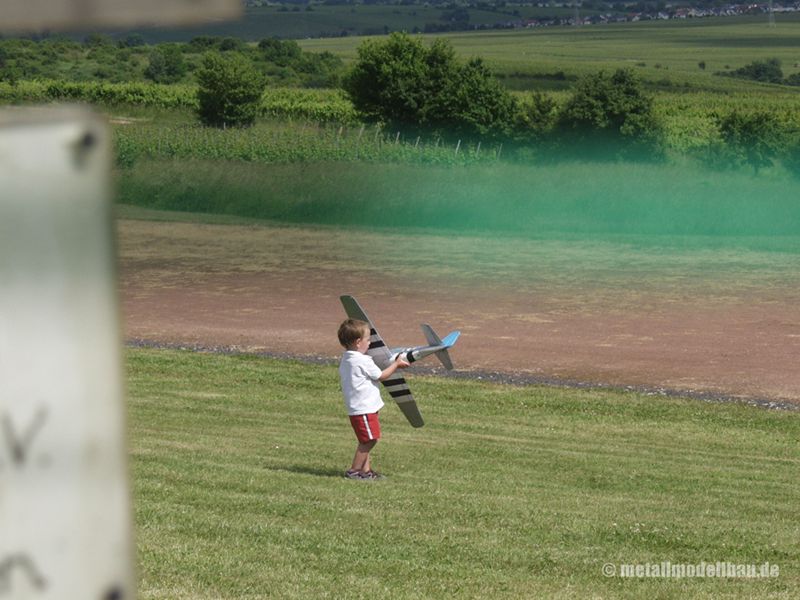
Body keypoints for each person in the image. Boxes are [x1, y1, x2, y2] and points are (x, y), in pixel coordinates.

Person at [337, 318, 409, 480]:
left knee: (365, 440)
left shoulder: (347, 359)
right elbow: (381, 376)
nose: (370, 343)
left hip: (357, 408)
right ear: (358, 342)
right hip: (364, 408)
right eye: (368, 339)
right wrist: (396, 364)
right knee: (370, 440)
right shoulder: (363, 360)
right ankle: (354, 471)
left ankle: (366, 471)